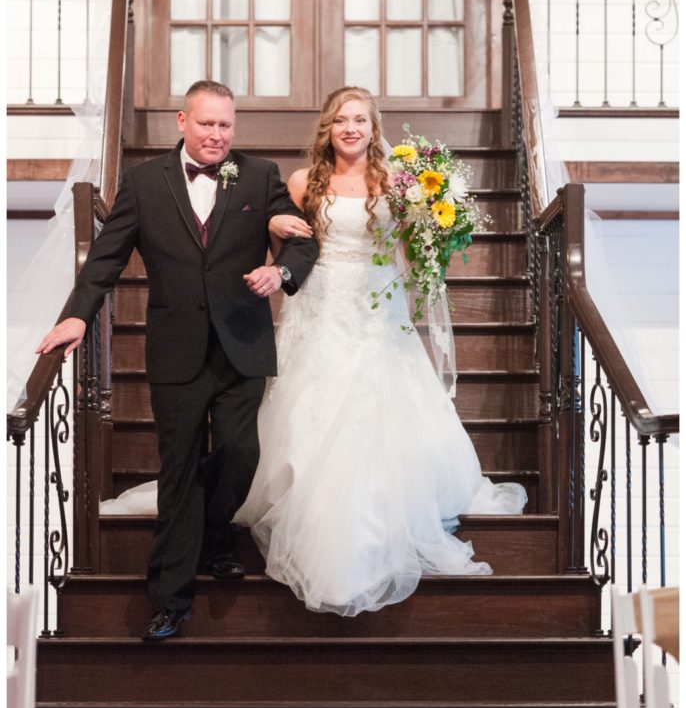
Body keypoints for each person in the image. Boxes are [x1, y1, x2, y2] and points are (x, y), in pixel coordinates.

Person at [36, 80, 319, 640]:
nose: (217, 135)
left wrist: (281, 271)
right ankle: (170, 599)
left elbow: (303, 241)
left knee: (241, 452)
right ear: (182, 122)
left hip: (242, 344)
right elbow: (105, 259)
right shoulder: (144, 183)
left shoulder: (259, 176)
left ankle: (213, 534)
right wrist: (77, 316)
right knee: (180, 469)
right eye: (207, 123)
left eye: (226, 125)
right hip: (175, 348)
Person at [234, 87, 527, 616]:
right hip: (319, 306)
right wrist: (273, 234)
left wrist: (434, 232)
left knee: (375, 410)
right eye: (341, 120)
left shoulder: (398, 182)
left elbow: (410, 251)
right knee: (312, 408)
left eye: (360, 120)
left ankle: (368, 531)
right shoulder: (302, 182)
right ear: (328, 128)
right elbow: (291, 251)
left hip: (375, 306)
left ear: (374, 127)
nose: (350, 128)